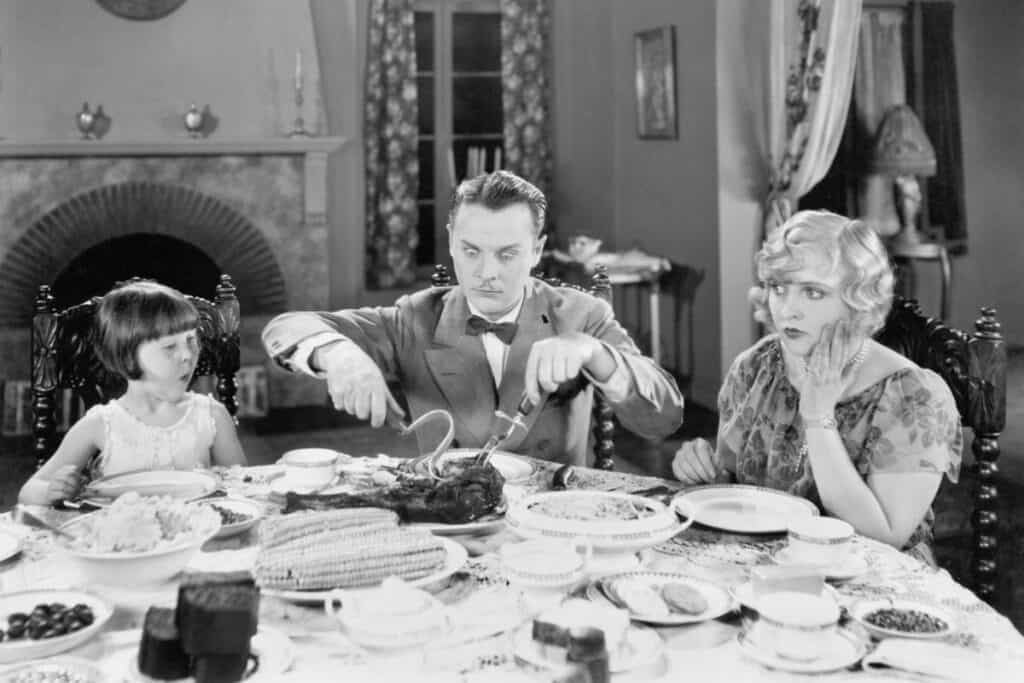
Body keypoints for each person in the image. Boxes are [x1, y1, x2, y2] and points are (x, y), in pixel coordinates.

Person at [262, 170, 685, 465]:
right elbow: (285, 327)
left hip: (555, 527)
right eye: (471, 251)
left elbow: (664, 417)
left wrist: (595, 354)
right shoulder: (415, 318)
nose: (486, 273)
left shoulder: (582, 315)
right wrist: (339, 355)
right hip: (450, 525)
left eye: (507, 254)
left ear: (537, 251)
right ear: (449, 241)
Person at [671, 210, 961, 564]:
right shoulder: (756, 366)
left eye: (813, 292)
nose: (788, 310)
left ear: (858, 300)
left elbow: (883, 539)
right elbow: (733, 480)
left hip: (873, 580)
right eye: (779, 288)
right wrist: (708, 474)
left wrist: (818, 415)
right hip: (767, 564)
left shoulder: (915, 395)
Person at [19, 281, 247, 506]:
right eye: (170, 347)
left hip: (196, 535)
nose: (188, 355)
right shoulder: (101, 424)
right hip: (125, 538)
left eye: (191, 340)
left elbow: (245, 486)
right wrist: (51, 490)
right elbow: (28, 492)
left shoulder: (211, 416)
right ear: (128, 356)